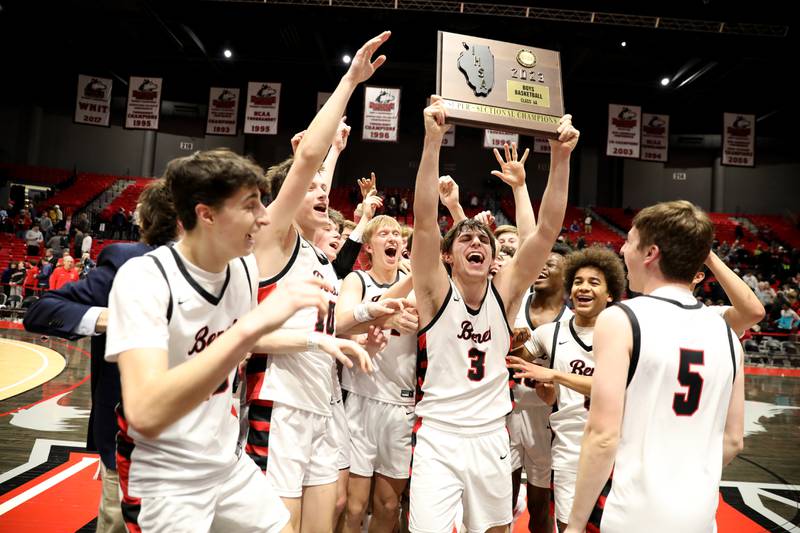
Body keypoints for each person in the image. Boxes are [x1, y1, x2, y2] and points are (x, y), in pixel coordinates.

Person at [104, 149, 350, 533]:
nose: (265, 216)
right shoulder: (144, 278)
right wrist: (250, 329)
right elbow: (146, 413)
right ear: (207, 214)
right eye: (251, 205)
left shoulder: (243, 269)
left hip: (224, 463)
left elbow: (307, 166)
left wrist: (349, 86)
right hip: (166, 474)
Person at [409, 95, 578, 533]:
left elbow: (547, 231)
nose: (476, 242)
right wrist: (432, 142)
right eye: (464, 238)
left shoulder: (504, 294)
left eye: (482, 238)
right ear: (447, 256)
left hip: (490, 435)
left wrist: (560, 159)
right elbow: (425, 219)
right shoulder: (432, 292)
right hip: (438, 436)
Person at [246, 31, 392, 533]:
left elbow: (318, 173)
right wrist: (351, 80)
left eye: (324, 189)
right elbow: (306, 163)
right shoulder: (274, 242)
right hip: (279, 402)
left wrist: (357, 332)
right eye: (309, 191)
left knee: (322, 524)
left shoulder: (320, 257)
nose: (322, 193)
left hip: (324, 403)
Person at [564, 200, 745, 533]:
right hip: (700, 516)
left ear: (650, 253)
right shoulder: (727, 334)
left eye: (630, 241)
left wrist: (575, 524)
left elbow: (603, 436)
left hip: (635, 515)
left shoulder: (621, 318)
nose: (622, 248)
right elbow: (734, 441)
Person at [24, 179, 179, 533]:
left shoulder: (228, 268)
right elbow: (41, 311)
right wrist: (110, 318)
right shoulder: (131, 262)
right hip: (134, 441)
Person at [507, 246, 626, 532]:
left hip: (614, 447)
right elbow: (511, 360)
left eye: (594, 282)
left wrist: (556, 376)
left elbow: (616, 386)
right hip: (566, 447)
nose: (584, 288)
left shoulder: (623, 333)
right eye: (578, 282)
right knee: (567, 526)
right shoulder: (550, 332)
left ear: (610, 294)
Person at [336, 215, 418, 533]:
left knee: (388, 506)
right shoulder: (357, 281)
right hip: (359, 396)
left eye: (397, 233)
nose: (393, 237)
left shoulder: (416, 282)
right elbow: (341, 323)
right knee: (353, 507)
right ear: (369, 246)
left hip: (400, 403)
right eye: (384, 233)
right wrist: (379, 325)